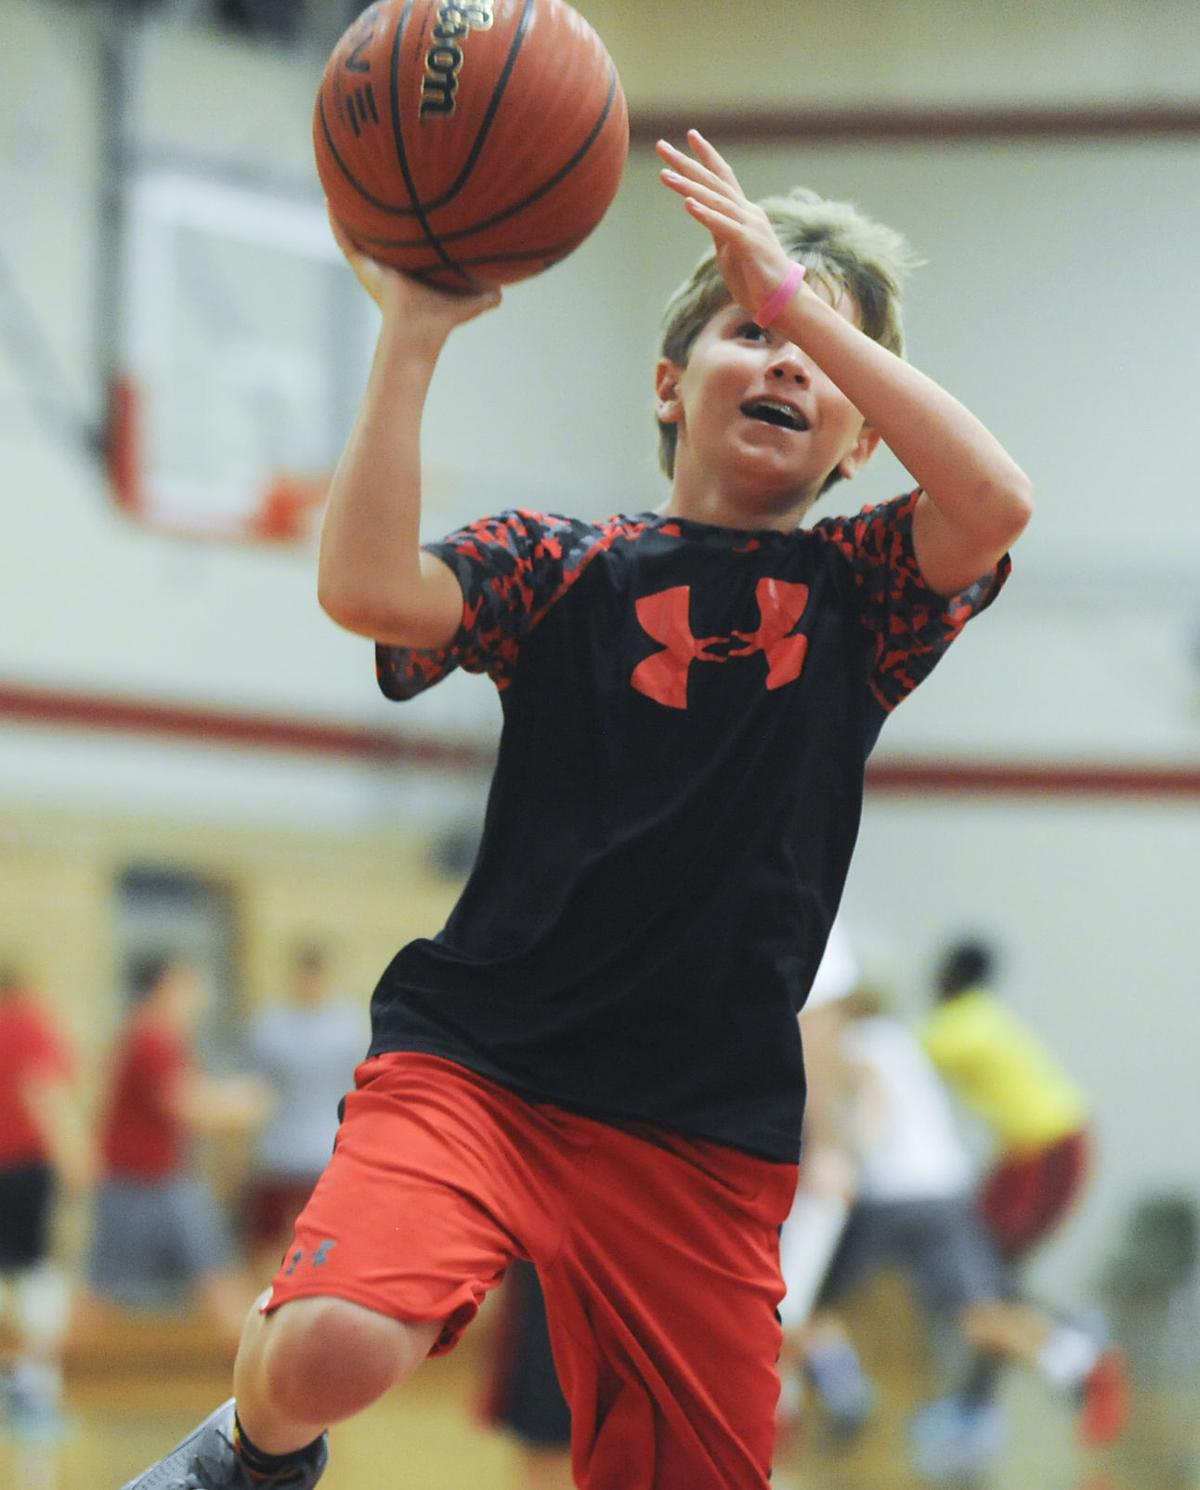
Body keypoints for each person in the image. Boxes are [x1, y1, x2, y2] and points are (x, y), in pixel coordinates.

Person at [120, 127, 1031, 1490]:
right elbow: (368, 588)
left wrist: (789, 293)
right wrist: (416, 331)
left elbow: (994, 497)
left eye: (813, 349)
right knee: (329, 1352)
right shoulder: (564, 566)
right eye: (744, 330)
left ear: (856, 439)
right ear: (669, 386)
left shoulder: (867, 596)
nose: (781, 355)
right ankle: (244, 1459)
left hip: (700, 1126)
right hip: (486, 1059)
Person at [805, 988, 1125, 1479]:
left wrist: (846, 1153)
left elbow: (875, 1099)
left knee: (810, 1307)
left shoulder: (862, 1041)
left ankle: (845, 1400)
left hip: (890, 1197)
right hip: (944, 1192)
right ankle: (1075, 1357)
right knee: (975, 1314)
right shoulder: (900, 1041)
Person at [918, 936, 1113, 1439]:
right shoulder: (982, 1018)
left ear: (953, 974)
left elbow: (893, 1062)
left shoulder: (957, 1026)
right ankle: (980, 1403)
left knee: (985, 1272)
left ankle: (1076, 1347)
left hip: (1046, 1150)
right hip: (1031, 1150)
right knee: (987, 1275)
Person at [86, 954, 272, 1348]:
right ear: (166, 987)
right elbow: (189, 1105)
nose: (199, 999)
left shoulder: (162, 1039)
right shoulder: (150, 1038)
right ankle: (35, 1375)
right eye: (191, 987)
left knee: (219, 1276)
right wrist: (241, 1104)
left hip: (166, 1182)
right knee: (99, 1298)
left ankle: (259, 1382)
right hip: (133, 1186)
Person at [0, 965, 89, 1430]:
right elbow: (42, 1088)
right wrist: (73, 1151)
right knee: (35, 1271)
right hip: (21, 1167)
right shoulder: (28, 1023)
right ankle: (34, 1386)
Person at [243, 945, 365, 1275]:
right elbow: (257, 1091)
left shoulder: (346, 1028)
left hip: (325, 1154)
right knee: (270, 1244)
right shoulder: (271, 1027)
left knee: (327, 1242)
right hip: (278, 1155)